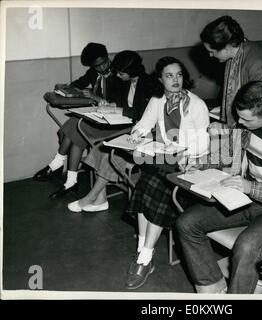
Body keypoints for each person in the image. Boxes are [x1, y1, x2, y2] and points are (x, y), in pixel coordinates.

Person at [176, 81, 262, 294]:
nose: (239, 122)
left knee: (246, 247)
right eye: (239, 116)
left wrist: (251, 187)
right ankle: (213, 287)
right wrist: (200, 162)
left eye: (246, 119)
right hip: (244, 198)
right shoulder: (248, 124)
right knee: (186, 223)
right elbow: (227, 152)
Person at [124, 56, 210, 290]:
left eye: (179, 75)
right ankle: (143, 250)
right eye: (169, 75)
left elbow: (204, 144)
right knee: (147, 183)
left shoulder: (196, 104)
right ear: (160, 79)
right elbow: (144, 124)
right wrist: (137, 133)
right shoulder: (156, 101)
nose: (175, 80)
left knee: (154, 185)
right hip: (163, 159)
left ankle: (145, 256)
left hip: (188, 164)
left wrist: (185, 154)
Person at [67, 50, 152, 212]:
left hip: (143, 131)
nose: (118, 76)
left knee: (108, 152)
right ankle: (101, 200)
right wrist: (110, 107)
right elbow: (123, 103)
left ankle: (91, 197)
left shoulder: (147, 83)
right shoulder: (127, 81)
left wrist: (117, 110)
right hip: (130, 127)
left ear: (131, 71)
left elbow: (141, 113)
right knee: (100, 147)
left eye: (120, 73)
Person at [34, 43, 120, 199]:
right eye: (96, 66)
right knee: (76, 128)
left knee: (75, 126)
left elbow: (119, 105)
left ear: (108, 57)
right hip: (99, 117)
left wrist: (96, 98)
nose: (101, 68)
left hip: (113, 122)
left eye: (103, 63)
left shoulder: (119, 73)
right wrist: (65, 89)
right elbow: (79, 83)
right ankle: (70, 180)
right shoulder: (93, 73)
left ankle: (58, 165)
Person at [200, 15, 262, 131]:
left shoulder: (258, 66)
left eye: (211, 51)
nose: (210, 55)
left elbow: (258, 111)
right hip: (252, 119)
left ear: (226, 47)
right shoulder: (236, 52)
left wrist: (228, 129)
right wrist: (226, 108)